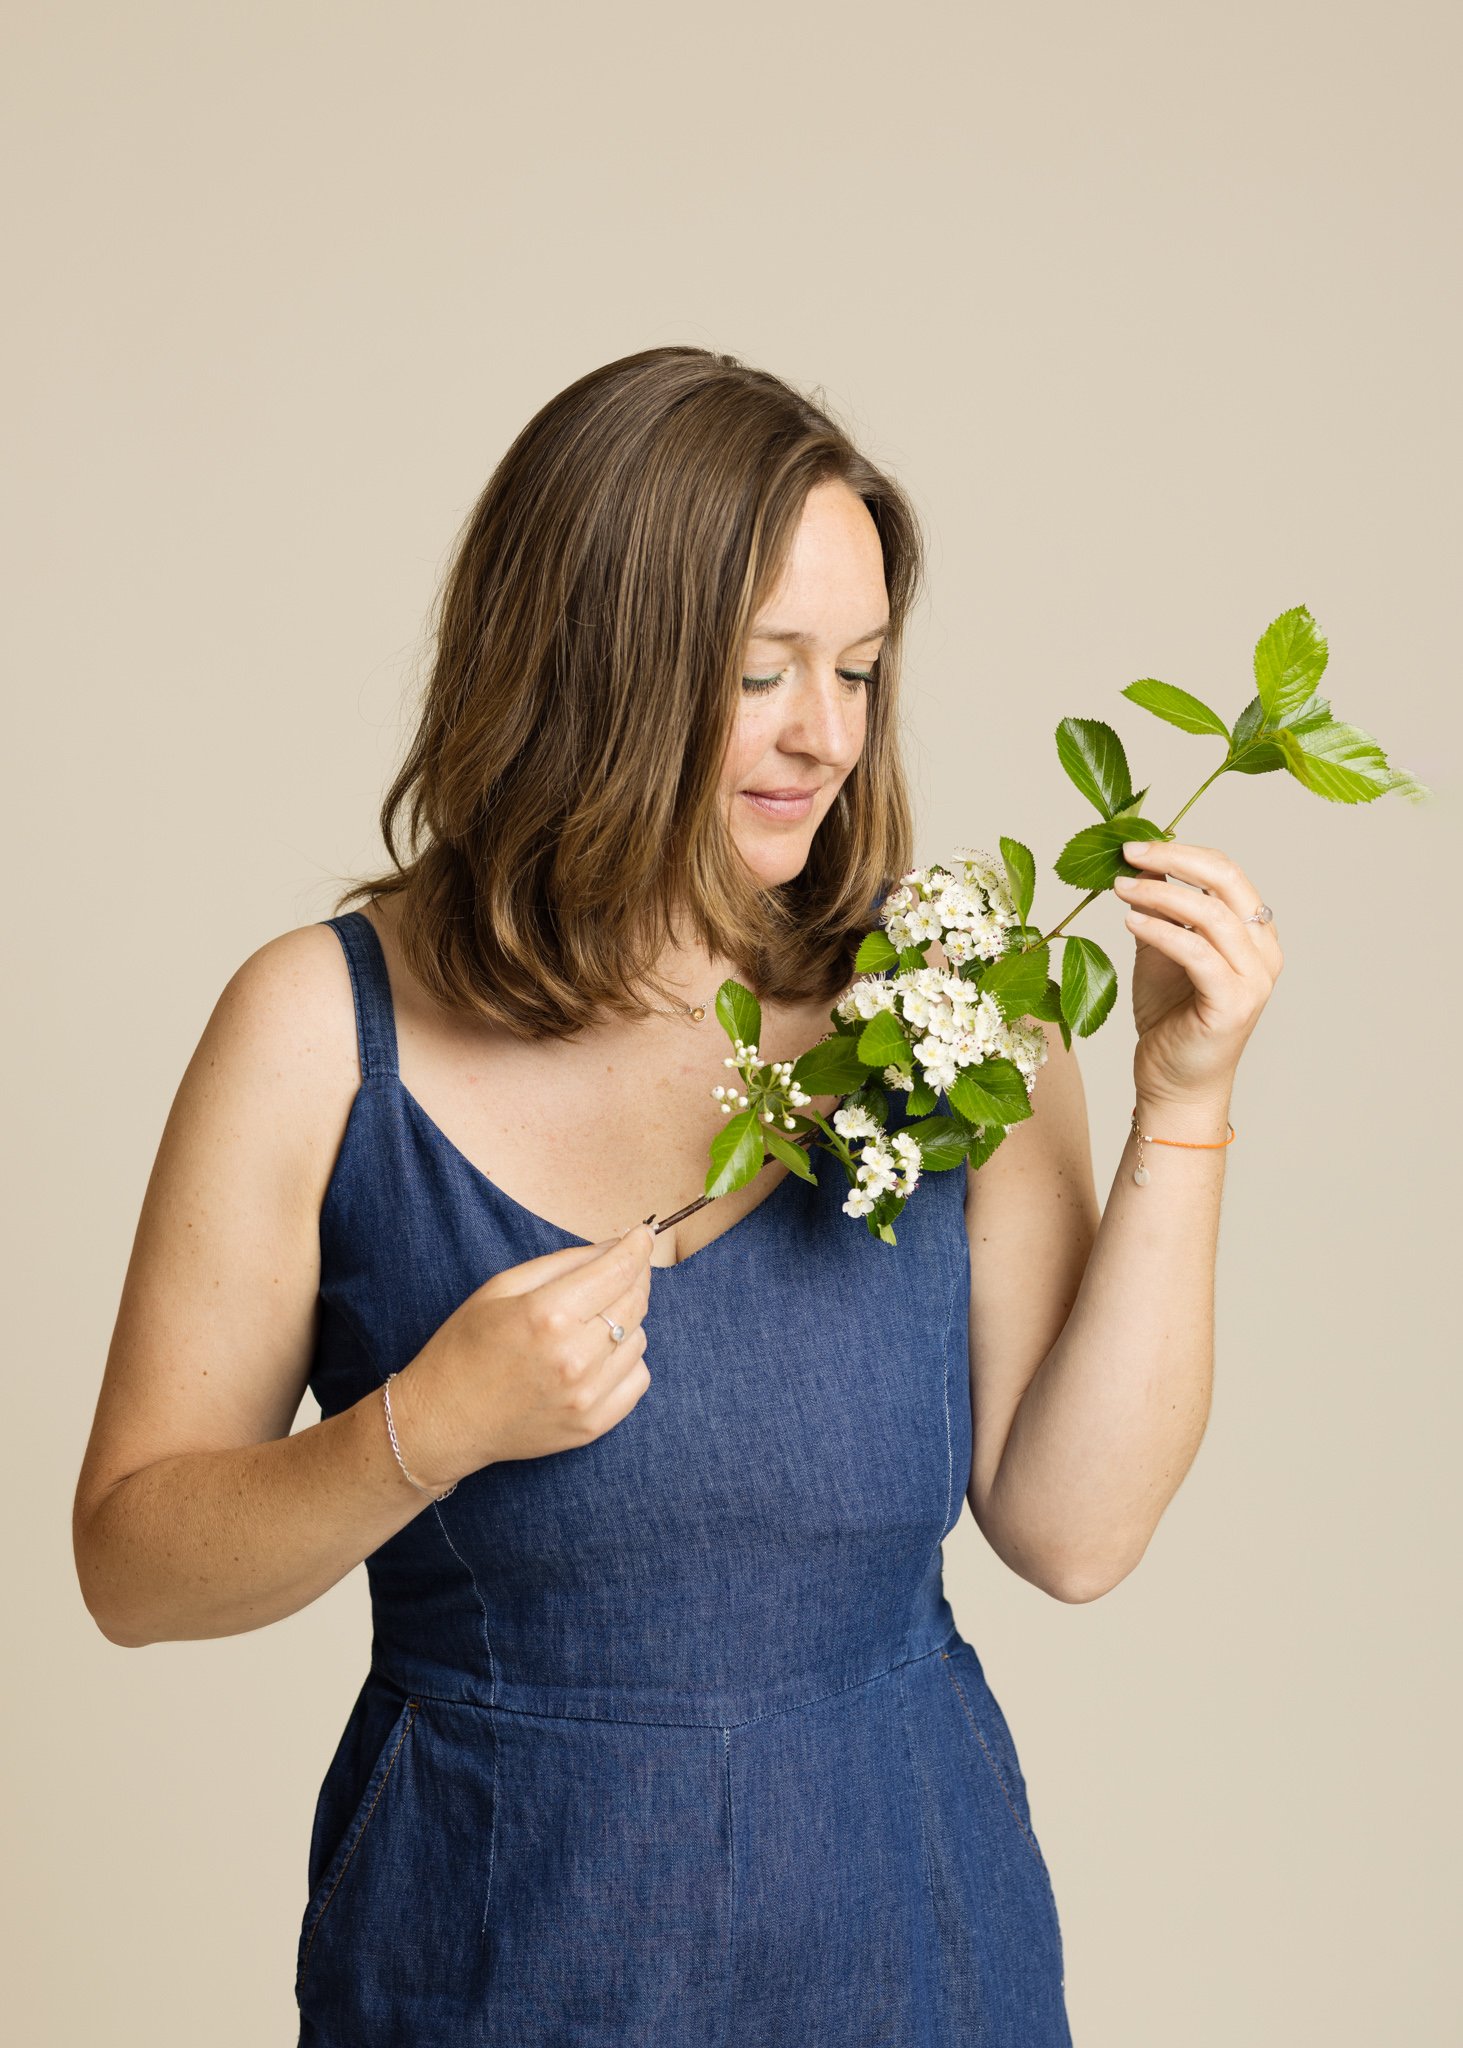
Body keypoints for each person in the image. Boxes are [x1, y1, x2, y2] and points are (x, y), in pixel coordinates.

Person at [72, 344, 1281, 2046]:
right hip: (498, 1966)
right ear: (588, 667)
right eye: (764, 671)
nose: (828, 736)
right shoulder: (317, 1031)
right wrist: (421, 1427)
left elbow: (1073, 1532)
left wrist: (1188, 1097)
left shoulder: (956, 1003)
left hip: (913, 1953)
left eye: (859, 671)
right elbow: (130, 1567)